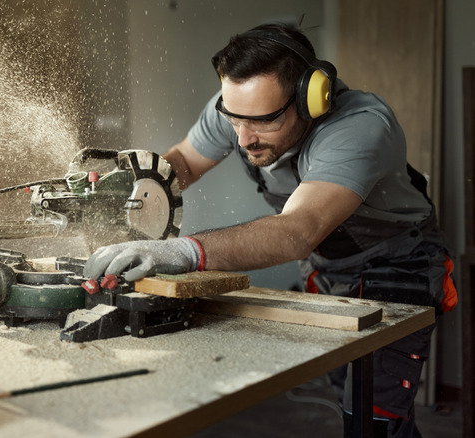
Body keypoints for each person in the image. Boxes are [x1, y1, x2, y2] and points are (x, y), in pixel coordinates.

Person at [83, 23, 457, 438]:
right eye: (233, 118)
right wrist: (131, 193)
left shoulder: (360, 128)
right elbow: (182, 165)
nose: (243, 138)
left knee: (373, 422)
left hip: (397, 263)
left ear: (310, 98)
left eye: (261, 122)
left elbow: (298, 231)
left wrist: (183, 252)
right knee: (348, 396)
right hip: (327, 264)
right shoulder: (238, 108)